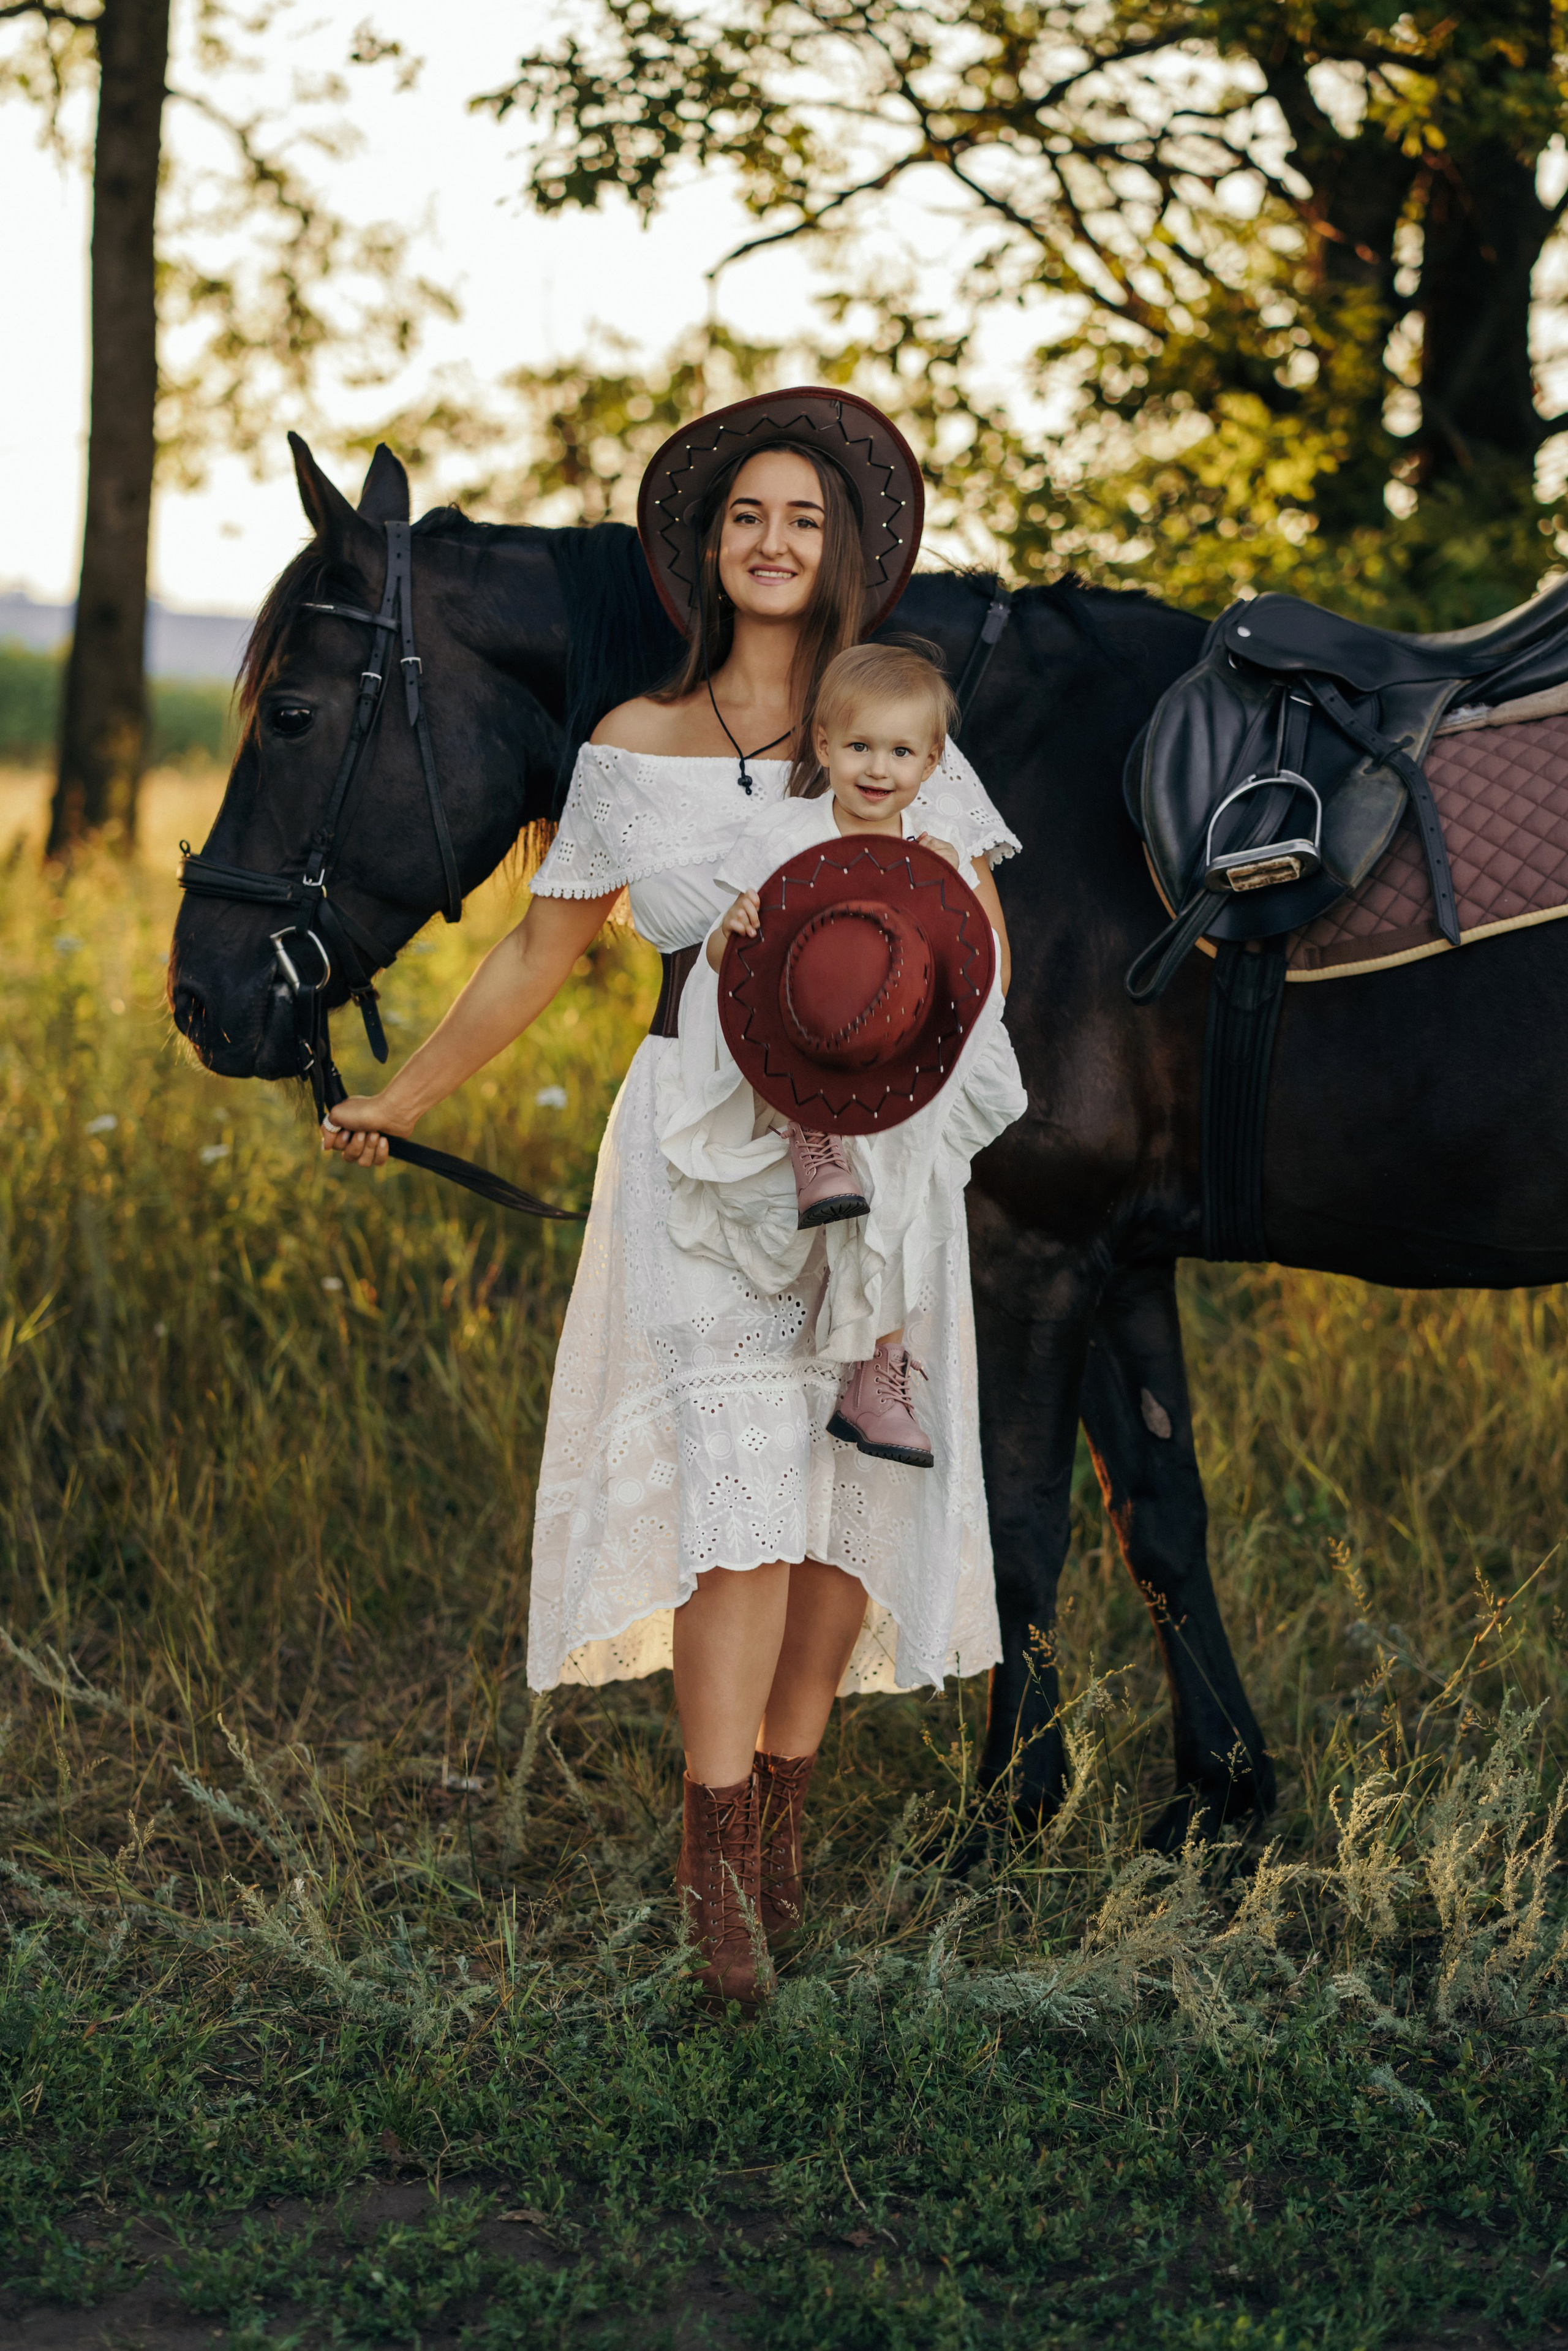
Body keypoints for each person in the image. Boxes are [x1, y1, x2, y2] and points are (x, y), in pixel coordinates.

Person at [321, 390, 1020, 2011]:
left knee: (849, 1505)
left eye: (802, 518)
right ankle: (714, 1877)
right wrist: (406, 1094)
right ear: (709, 549)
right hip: (702, 1151)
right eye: (745, 518)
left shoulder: (900, 729)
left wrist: (925, 1117)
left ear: (844, 548)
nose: (773, 542)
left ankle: (781, 1824)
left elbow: (979, 948)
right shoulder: (631, 747)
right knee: (738, 1503)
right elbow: (535, 951)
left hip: (879, 1159)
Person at [656, 639, 1027, 1471]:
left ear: (933, 762)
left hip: (895, 1044)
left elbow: (976, 964)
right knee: (821, 1045)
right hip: (796, 1040)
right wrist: (734, 929)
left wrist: (948, 891)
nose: (878, 769)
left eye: (901, 752)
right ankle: (806, 1133)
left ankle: (877, 1363)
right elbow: (724, 960)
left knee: (911, 1172)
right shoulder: (785, 833)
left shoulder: (937, 846)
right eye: (859, 746)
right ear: (823, 744)